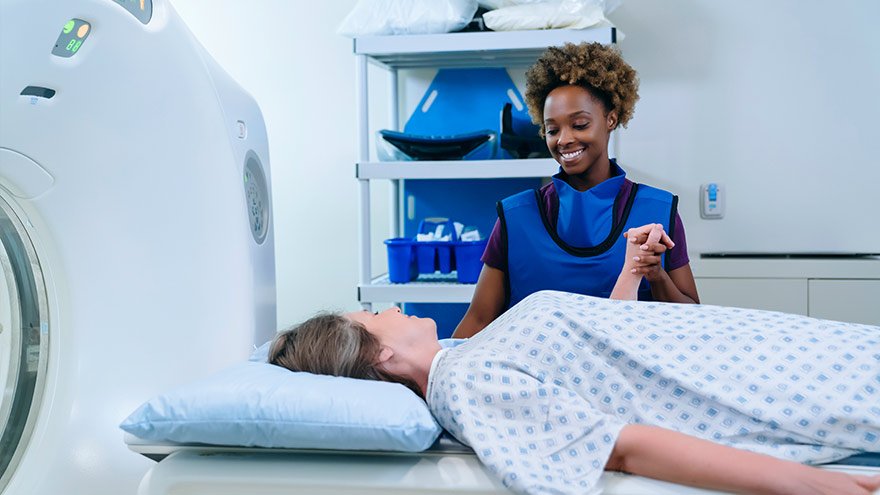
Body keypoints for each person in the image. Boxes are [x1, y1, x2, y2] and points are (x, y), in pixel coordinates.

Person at [269, 225, 880, 495]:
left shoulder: (469, 355)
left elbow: (595, 362)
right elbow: (620, 442)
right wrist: (820, 486)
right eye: (377, 315)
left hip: (778, 350)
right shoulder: (466, 382)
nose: (393, 309)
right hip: (782, 383)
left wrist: (630, 275)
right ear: (379, 352)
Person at [453, 42, 699, 339]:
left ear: (611, 118)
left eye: (579, 124)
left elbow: (692, 322)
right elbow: (478, 320)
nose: (564, 140)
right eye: (552, 130)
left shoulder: (657, 211)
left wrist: (657, 276)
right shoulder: (515, 217)